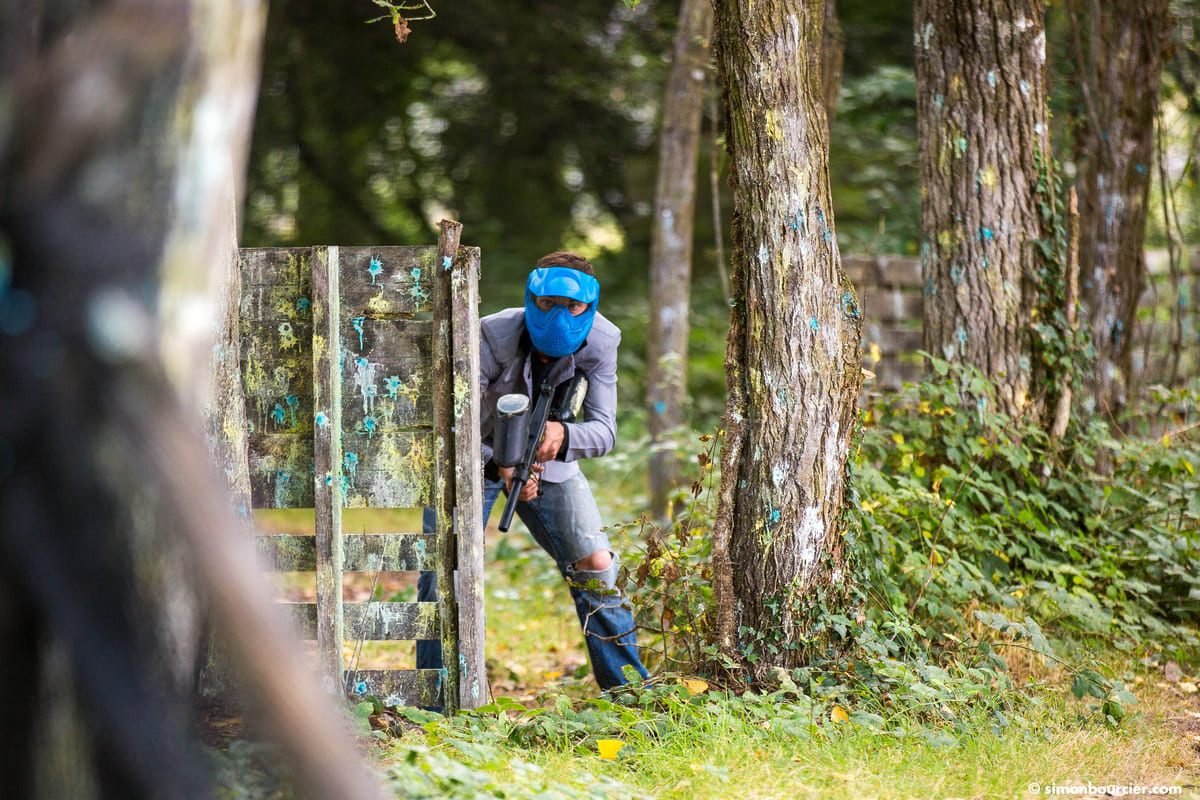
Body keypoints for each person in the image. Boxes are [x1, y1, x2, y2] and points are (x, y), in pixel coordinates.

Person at [416, 251, 649, 691]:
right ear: (532, 298)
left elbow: (605, 431)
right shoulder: (492, 332)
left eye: (573, 306)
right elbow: (454, 417)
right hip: (473, 455)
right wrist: (500, 461)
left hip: (550, 463)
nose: (558, 316)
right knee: (441, 569)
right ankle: (433, 698)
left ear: (589, 306)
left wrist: (562, 436)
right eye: (547, 303)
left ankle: (630, 695)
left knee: (596, 563)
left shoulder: (602, 340)